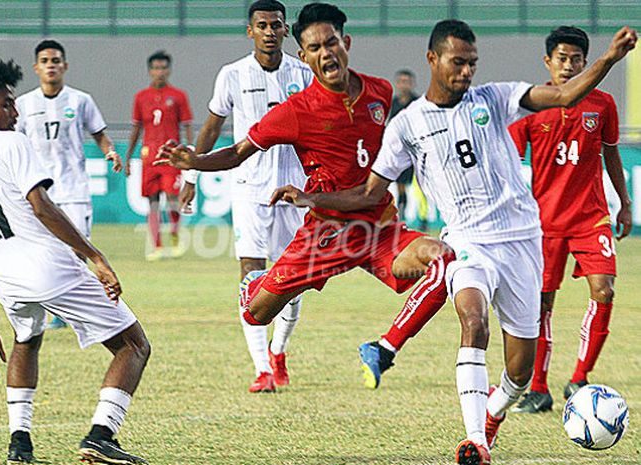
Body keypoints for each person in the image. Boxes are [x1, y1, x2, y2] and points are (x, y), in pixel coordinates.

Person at [269, 19, 636, 465]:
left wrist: (610, 59)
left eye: (472, 64)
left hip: (521, 242)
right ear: (433, 60)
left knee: (518, 375)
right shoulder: (408, 125)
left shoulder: (496, 98)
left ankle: (494, 415)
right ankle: (475, 441)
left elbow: (562, 95)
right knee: (473, 322)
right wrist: (312, 197)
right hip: (466, 242)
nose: (466, 72)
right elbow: (368, 193)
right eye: (458, 63)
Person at [157, 2, 457, 394]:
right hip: (323, 233)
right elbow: (238, 152)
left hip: (378, 229)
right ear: (305, 56)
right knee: (256, 312)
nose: (325, 52)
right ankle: (264, 307)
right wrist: (195, 163)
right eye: (314, 48)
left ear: (345, 42)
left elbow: (405, 146)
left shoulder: (380, 92)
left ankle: (383, 349)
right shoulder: (294, 109)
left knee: (446, 261)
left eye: (331, 42)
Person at [0, 55, 150, 465]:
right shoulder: (12, 141)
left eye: (14, 101)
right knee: (134, 345)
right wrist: (94, 256)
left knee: (28, 339)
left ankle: (19, 445)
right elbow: (41, 206)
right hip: (48, 269)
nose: (15, 109)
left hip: (7, 278)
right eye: (5, 104)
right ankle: (101, 434)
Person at [180, 0, 312, 393]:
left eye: (276, 25)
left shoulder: (304, 74)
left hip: (295, 193)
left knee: (294, 282)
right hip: (249, 191)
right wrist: (191, 173)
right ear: (250, 31)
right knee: (251, 277)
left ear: (286, 31)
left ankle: (279, 350)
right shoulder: (232, 74)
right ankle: (262, 370)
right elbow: (211, 128)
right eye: (262, 25)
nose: (270, 31)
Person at [508, 26, 632, 414]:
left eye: (576, 58)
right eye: (561, 58)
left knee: (605, 291)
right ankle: (539, 388)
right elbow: (510, 164)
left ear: (584, 61)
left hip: (590, 218)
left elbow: (610, 154)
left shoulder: (603, 104)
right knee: (542, 303)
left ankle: (579, 377)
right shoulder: (531, 106)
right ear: (548, 62)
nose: (568, 65)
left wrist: (624, 203)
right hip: (542, 224)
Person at [16, 39, 123, 330]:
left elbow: (99, 133)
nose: (51, 65)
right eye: (46, 61)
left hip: (74, 189)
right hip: (39, 193)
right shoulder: (24, 104)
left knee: (76, 250)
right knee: (45, 251)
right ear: (36, 67)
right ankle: (53, 307)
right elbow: (14, 142)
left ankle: (71, 310)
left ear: (65, 66)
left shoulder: (80, 100)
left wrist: (109, 151)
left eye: (56, 61)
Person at [125, 50, 194, 261]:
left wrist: (189, 150)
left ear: (169, 70)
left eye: (163, 68)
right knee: (152, 201)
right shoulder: (141, 97)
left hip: (171, 156)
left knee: (173, 198)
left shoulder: (178, 96)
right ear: (149, 71)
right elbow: (137, 128)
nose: (159, 72)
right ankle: (156, 245)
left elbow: (187, 125)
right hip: (149, 158)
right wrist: (128, 157)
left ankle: (174, 231)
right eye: (156, 68)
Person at [389, 69, 426, 227]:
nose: (404, 85)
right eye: (401, 81)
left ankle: (424, 217)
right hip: (400, 152)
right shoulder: (393, 104)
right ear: (397, 84)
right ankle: (402, 214)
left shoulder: (419, 104)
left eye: (407, 82)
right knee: (401, 186)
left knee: (422, 185)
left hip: (418, 152)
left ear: (413, 83)